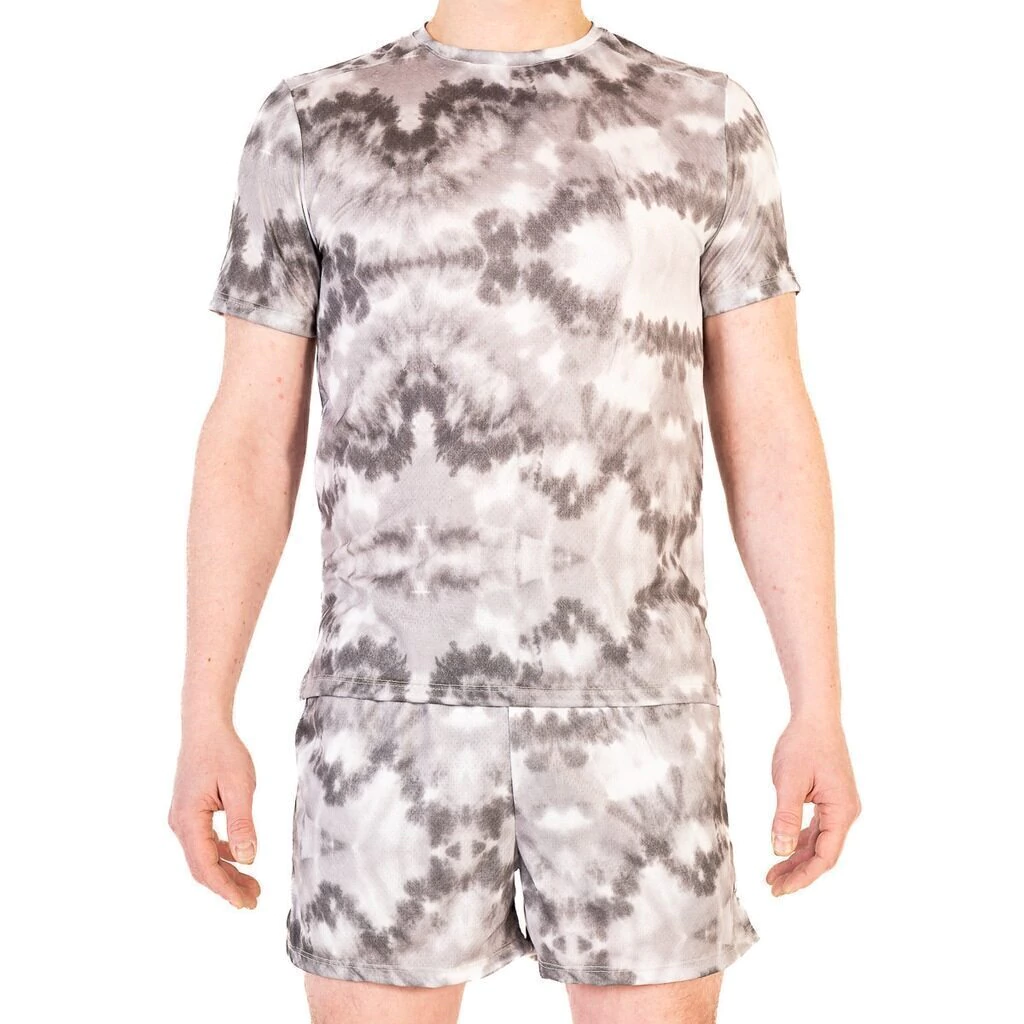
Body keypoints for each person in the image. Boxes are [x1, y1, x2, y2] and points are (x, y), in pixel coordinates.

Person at [169, 2, 861, 1021]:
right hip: (383, 722)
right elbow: (248, 436)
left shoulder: (703, 118)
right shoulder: (314, 122)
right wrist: (204, 714)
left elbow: (766, 423)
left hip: (638, 714)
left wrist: (818, 704)